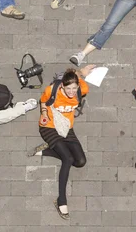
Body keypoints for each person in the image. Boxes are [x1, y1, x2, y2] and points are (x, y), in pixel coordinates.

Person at [28, 65, 94, 220]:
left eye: (74, 88)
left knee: (80, 161)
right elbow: (43, 101)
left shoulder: (82, 89)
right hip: (49, 127)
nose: (71, 92)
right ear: (62, 85)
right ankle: (61, 201)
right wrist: (44, 113)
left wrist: (80, 73)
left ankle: (48, 150)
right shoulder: (52, 90)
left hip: (66, 127)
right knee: (68, 159)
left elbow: (78, 82)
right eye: (68, 88)